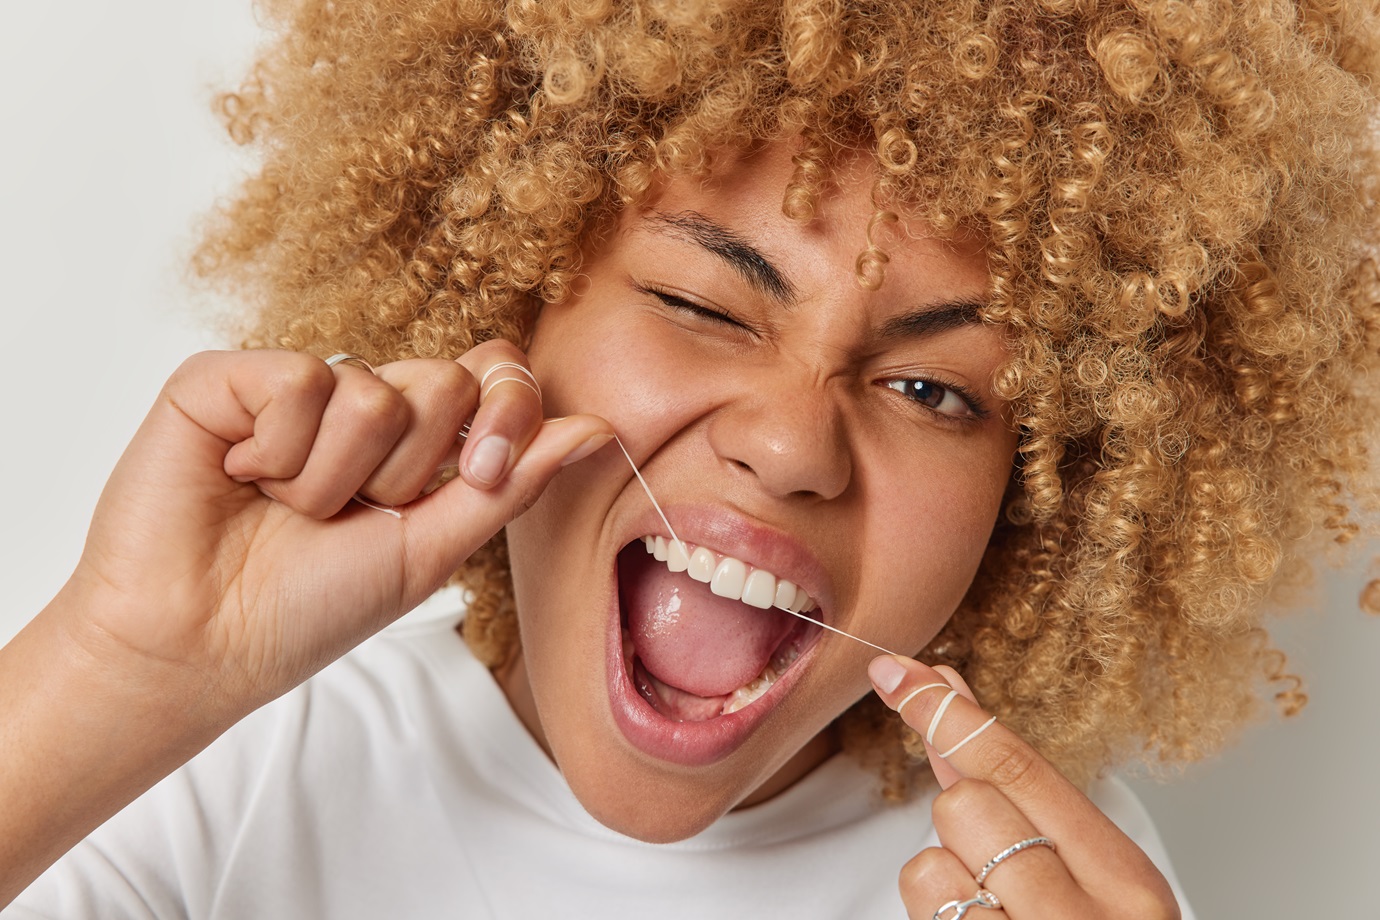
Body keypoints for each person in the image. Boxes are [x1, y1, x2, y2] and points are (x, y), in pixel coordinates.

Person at [3, 0, 1377, 917]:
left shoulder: (1029, 874)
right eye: (702, 304)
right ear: (509, 306)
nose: (790, 445)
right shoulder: (225, 754)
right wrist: (115, 669)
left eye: (932, 388)